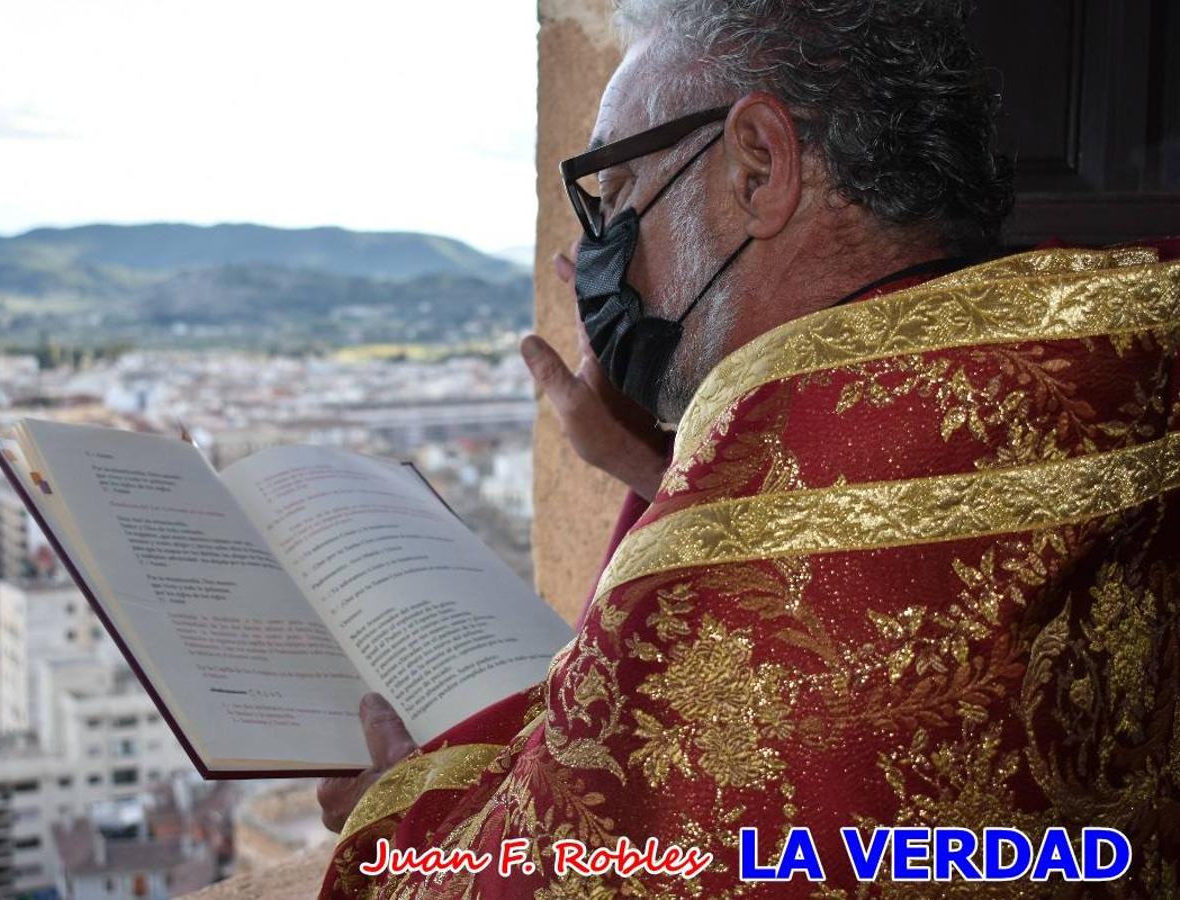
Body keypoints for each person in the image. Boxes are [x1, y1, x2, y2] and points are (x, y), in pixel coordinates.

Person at [318, 0, 1180, 895]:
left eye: (616, 195)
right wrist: (646, 467)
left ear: (759, 167)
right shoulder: (1101, 369)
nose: (596, 252)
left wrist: (398, 814)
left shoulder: (740, 564)